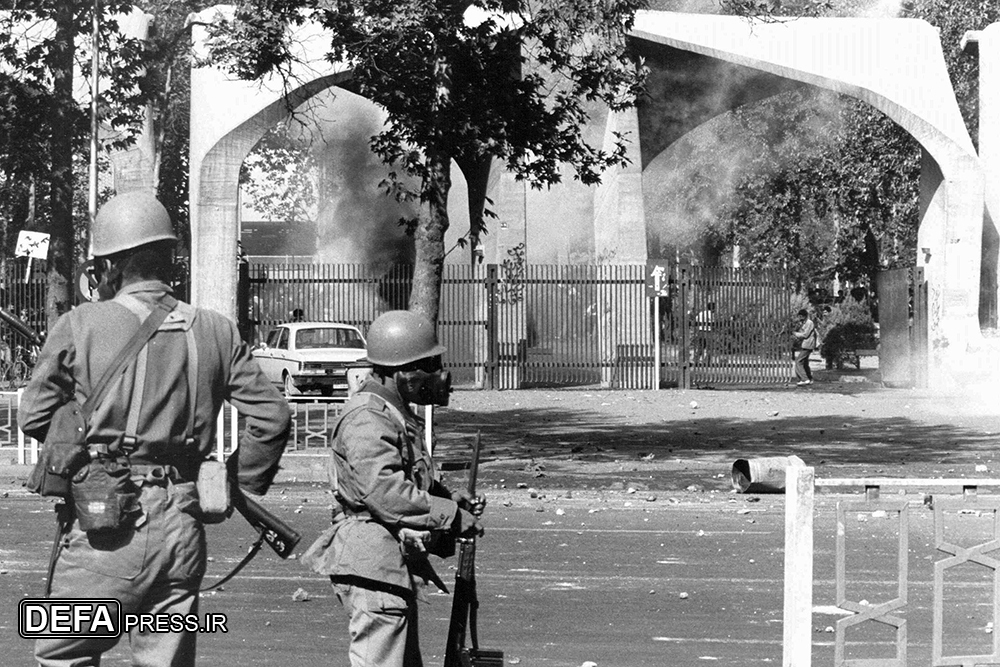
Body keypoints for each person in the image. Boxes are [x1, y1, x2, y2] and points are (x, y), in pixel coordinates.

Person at [20, 191, 291, 667]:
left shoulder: (78, 324)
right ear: (167, 258)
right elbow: (272, 417)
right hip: (182, 528)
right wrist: (234, 480)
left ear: (109, 267)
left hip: (108, 524)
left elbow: (34, 416)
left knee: (65, 657)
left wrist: (80, 422)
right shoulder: (216, 329)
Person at [302, 309, 485, 667]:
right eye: (429, 366)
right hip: (372, 565)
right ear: (402, 372)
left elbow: (408, 478)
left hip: (387, 565)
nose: (438, 376)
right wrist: (450, 515)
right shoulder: (367, 418)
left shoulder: (391, 414)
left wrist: (447, 498)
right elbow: (385, 492)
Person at [791, 308, 817, 386]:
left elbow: (805, 335)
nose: (799, 318)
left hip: (808, 345)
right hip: (805, 345)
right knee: (804, 363)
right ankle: (809, 378)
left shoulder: (809, 323)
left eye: (800, 316)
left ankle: (804, 379)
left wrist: (795, 333)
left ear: (804, 316)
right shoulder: (804, 323)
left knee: (798, 361)